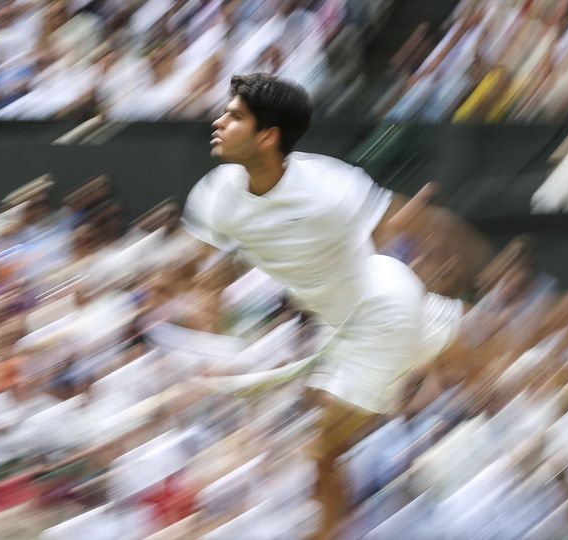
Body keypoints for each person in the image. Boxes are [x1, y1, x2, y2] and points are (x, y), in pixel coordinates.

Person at [181, 73, 462, 537]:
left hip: (379, 311)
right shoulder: (216, 195)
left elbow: (401, 228)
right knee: (472, 358)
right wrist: (211, 341)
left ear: (267, 137)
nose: (219, 122)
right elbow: (201, 276)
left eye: (234, 116)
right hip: (345, 323)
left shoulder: (332, 185)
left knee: (323, 452)